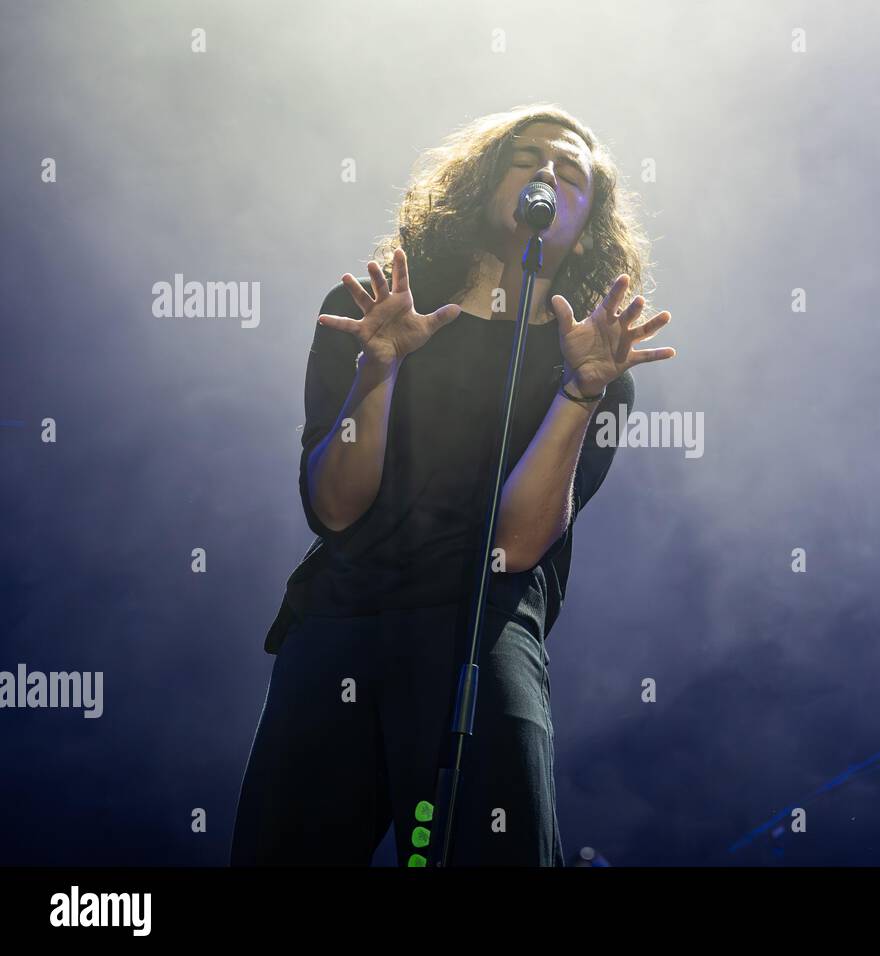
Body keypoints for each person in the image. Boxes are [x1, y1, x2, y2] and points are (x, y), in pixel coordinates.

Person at [230, 104, 675, 866]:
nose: (546, 173)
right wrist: (378, 371)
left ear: (589, 220)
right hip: (341, 624)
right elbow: (335, 509)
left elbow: (518, 543)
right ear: (480, 181)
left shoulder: (593, 369)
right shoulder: (371, 314)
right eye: (525, 156)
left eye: (572, 174)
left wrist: (582, 391)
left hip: (485, 633)